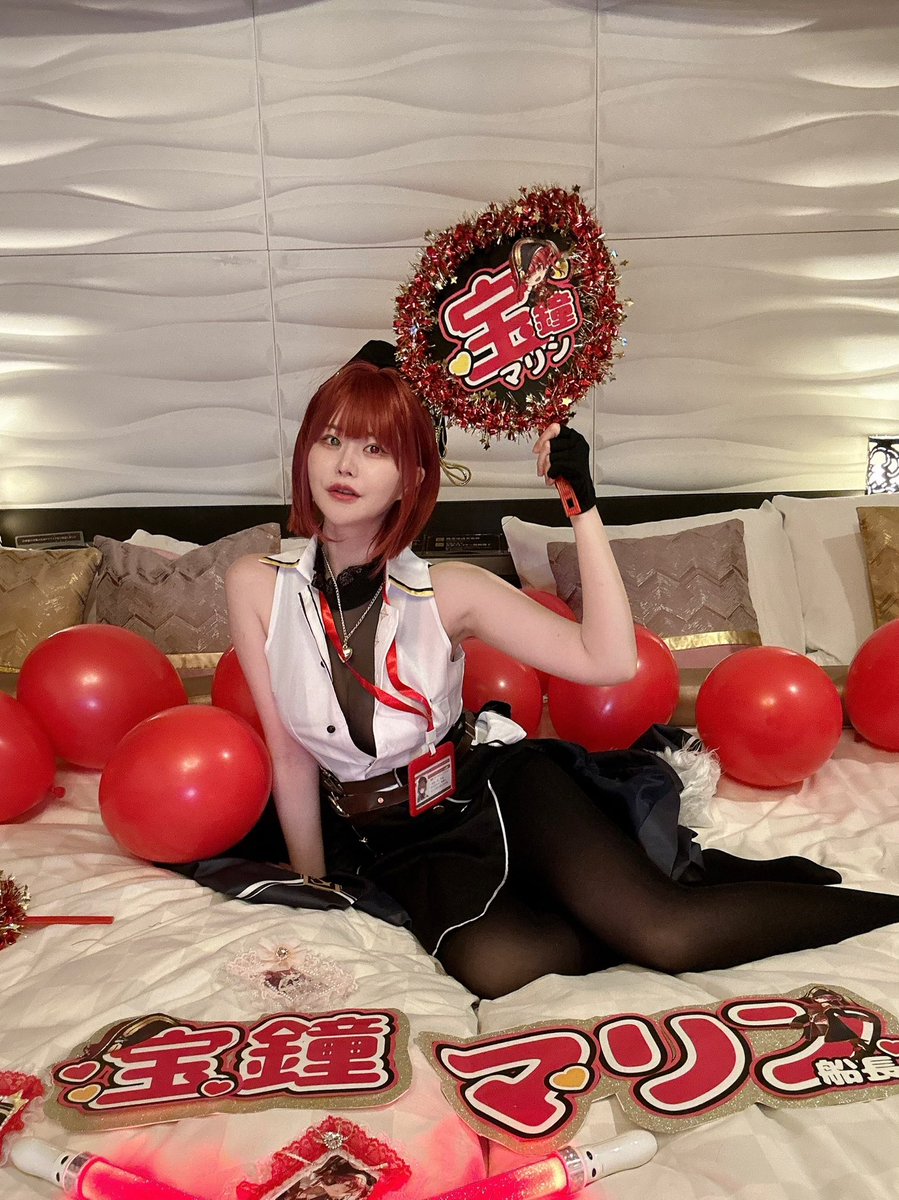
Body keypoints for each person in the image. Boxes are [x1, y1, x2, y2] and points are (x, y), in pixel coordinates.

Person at [225, 346, 899, 1000]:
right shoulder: (257, 586)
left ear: (411, 476)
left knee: (666, 935)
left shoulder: (447, 590)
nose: (345, 465)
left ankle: (877, 910)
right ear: (305, 449)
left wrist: (582, 507)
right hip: (386, 838)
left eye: (376, 449)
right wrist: (313, 885)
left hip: (487, 791)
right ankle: (661, 882)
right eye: (332, 439)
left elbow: (609, 661)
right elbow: (289, 754)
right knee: (498, 967)